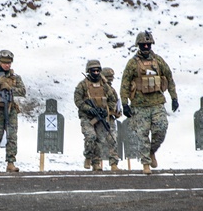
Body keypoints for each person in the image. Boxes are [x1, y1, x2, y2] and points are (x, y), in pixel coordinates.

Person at [120, 31, 178, 175]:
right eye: (143, 45)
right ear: (138, 45)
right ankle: (145, 163)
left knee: (161, 128)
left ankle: (152, 151)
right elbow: (125, 83)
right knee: (142, 135)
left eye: (148, 44)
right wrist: (125, 104)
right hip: (139, 106)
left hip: (157, 103)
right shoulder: (132, 63)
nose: (146, 47)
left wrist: (174, 98)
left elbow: (169, 78)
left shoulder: (158, 61)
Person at [0, 49, 27, 172]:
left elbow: (23, 91)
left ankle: (10, 163)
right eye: (4, 62)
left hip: (10, 109)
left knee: (12, 136)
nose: (7, 65)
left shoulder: (15, 78)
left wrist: (10, 89)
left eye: (9, 63)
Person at [74, 60, 119, 172]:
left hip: (101, 117)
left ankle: (97, 163)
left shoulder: (105, 85)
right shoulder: (82, 85)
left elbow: (113, 99)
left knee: (100, 140)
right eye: (93, 71)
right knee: (90, 137)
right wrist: (89, 109)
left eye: (97, 70)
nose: (95, 73)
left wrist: (106, 110)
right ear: (88, 71)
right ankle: (88, 156)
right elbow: (78, 100)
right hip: (87, 117)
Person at [102, 67, 122, 167]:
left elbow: (117, 104)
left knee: (113, 140)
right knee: (97, 141)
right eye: (108, 77)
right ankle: (96, 163)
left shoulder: (112, 90)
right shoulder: (97, 88)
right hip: (98, 119)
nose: (110, 79)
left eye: (111, 77)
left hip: (110, 119)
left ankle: (114, 164)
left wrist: (117, 112)